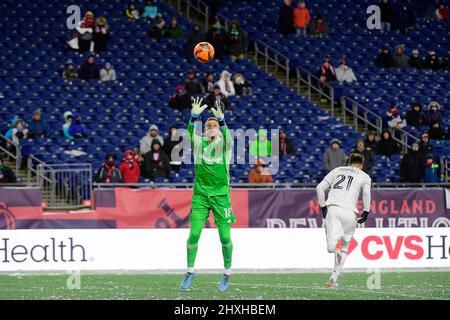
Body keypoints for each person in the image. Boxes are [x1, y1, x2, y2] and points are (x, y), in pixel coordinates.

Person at [180, 98, 235, 292]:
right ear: (204, 130)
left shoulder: (225, 146)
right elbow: (188, 135)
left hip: (221, 197)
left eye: (214, 125)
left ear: (218, 130)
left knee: (225, 238)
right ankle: (190, 270)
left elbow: (229, 138)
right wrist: (194, 117)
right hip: (201, 196)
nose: (211, 127)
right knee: (194, 234)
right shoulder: (199, 144)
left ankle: (227, 272)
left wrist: (222, 121)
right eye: (208, 125)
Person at [316, 153, 371, 288]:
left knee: (331, 248)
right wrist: (366, 211)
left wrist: (323, 207)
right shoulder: (364, 176)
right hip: (350, 213)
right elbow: (366, 193)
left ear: (348, 162)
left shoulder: (337, 170)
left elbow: (319, 188)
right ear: (362, 165)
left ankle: (336, 248)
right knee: (345, 248)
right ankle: (333, 280)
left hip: (333, 209)